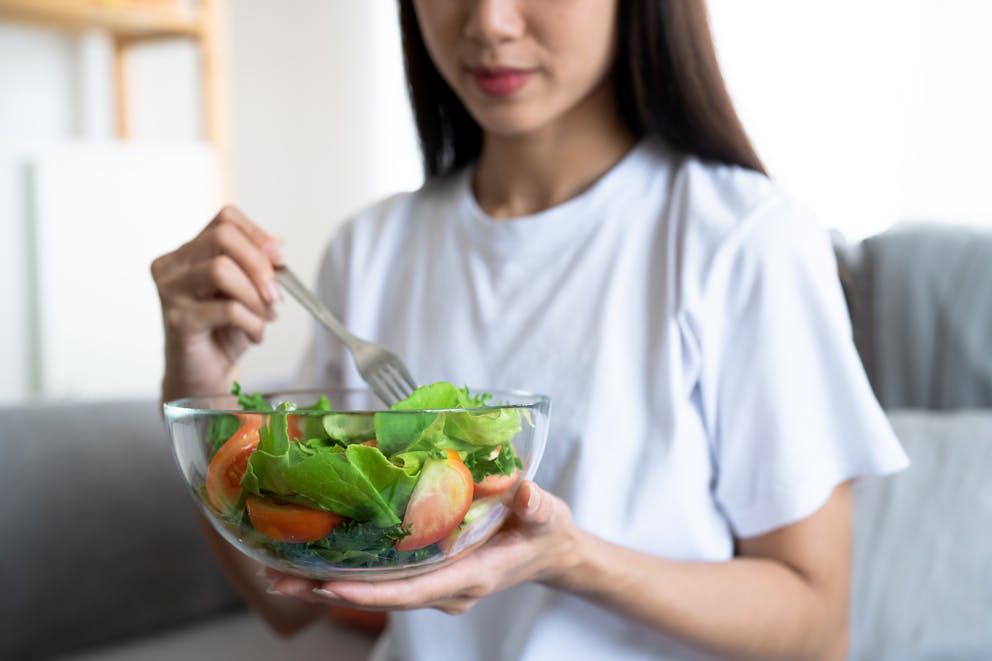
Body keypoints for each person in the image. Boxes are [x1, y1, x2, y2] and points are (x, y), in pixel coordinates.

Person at [151, 1, 908, 659]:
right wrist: (195, 375)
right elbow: (288, 599)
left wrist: (570, 559)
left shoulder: (744, 240)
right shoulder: (370, 247)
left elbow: (818, 627)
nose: (489, 23)